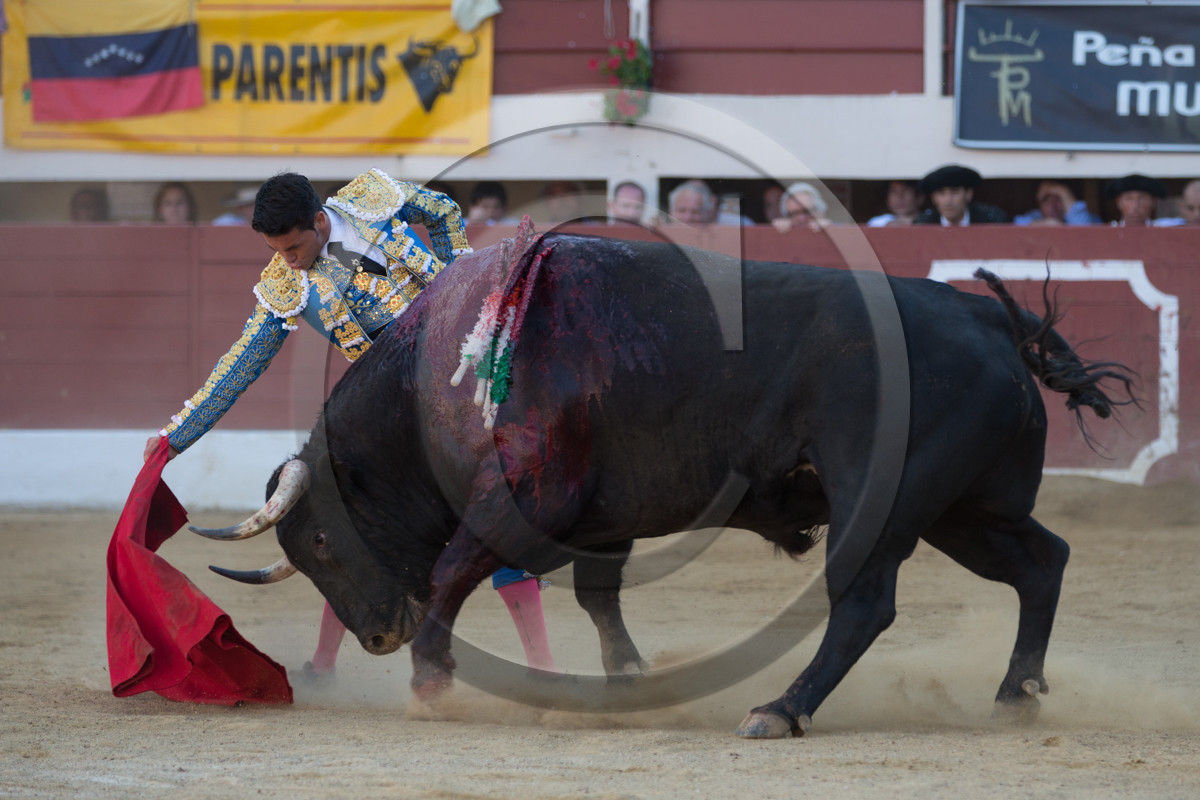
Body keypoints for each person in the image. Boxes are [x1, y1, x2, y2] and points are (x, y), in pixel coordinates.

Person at [142, 170, 555, 679]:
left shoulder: (370, 199)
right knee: (347, 530)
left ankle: (545, 668)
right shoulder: (284, 285)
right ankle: (323, 663)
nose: (288, 260)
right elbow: (239, 366)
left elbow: (443, 211)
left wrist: (462, 280)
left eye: (294, 246)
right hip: (393, 414)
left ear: (319, 220)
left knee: (496, 512)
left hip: (472, 381)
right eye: (277, 251)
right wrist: (175, 437)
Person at [914, 164, 1008, 226]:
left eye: (954, 192)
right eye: (941, 193)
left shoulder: (990, 219)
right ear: (933, 198)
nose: (948, 200)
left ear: (968, 194)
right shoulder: (923, 223)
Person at [1105, 174, 1184, 227]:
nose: (1135, 206)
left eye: (1142, 198)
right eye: (1129, 198)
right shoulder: (1108, 231)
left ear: (1153, 201)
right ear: (1119, 202)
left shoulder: (1163, 230)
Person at [1013, 180, 1100, 226]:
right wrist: (1053, 225)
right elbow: (1018, 225)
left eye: (1058, 199)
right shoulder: (1034, 216)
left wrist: (1063, 190)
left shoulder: (1091, 219)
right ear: (1039, 204)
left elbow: (1084, 230)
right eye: (1046, 201)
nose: (1053, 206)